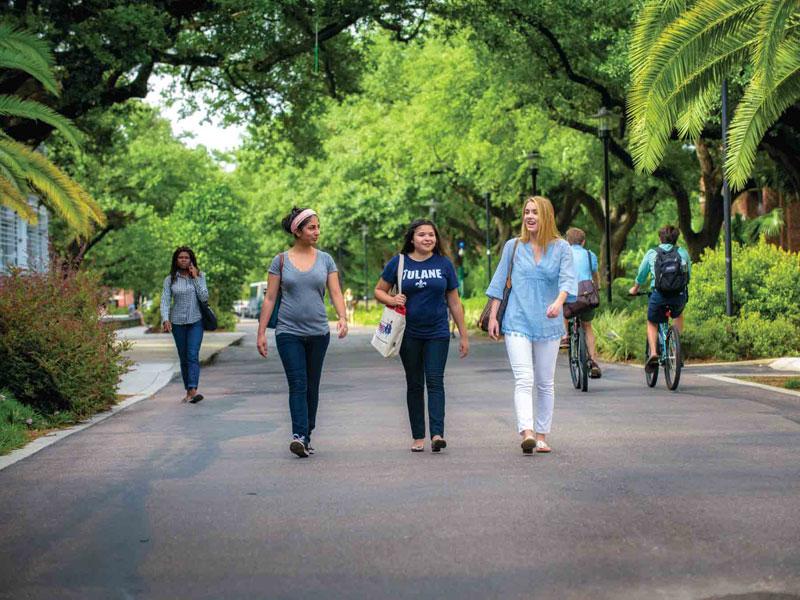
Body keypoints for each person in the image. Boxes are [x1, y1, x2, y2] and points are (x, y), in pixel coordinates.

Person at [486, 196, 577, 455]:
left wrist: (559, 303)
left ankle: (541, 435)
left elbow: (567, 281)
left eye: (535, 212)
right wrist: (494, 316)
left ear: (545, 215)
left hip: (549, 321)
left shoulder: (561, 248)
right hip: (517, 320)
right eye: (526, 212)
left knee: (545, 382)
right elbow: (498, 281)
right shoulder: (513, 246)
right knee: (524, 378)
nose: (529, 216)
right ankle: (526, 433)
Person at [256, 207, 348, 458]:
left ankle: (307, 433)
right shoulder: (281, 261)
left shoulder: (326, 259)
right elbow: (270, 298)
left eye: (318, 227)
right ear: (297, 231)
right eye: (311, 227)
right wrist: (261, 332)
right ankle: (298, 435)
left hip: (319, 332)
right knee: (298, 383)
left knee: (312, 385)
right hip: (288, 332)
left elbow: (336, 292)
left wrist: (342, 317)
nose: (317, 232)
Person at [374, 218, 469, 453]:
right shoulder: (399, 262)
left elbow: (455, 303)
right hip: (408, 333)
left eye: (431, 235)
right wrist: (392, 299)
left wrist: (464, 336)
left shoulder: (444, 264)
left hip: (438, 331)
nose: (428, 238)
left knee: (435, 381)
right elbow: (378, 290)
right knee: (415, 384)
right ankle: (418, 436)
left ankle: (437, 434)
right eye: (422, 235)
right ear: (412, 238)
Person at [629, 225, 691, 373]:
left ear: (660, 239)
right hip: (679, 295)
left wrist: (635, 289)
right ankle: (675, 346)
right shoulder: (683, 253)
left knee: (652, 321)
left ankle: (654, 353)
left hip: (659, 295)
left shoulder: (652, 253)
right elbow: (688, 275)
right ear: (676, 239)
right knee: (678, 314)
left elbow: (641, 275)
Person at [161, 246, 209, 404]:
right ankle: (188, 391)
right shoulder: (170, 279)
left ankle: (193, 389)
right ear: (176, 260)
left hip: (196, 321)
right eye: (180, 257)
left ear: (191, 260)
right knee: (183, 357)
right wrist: (165, 318)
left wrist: (195, 278)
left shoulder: (200, 276)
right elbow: (165, 300)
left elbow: (204, 297)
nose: (183, 260)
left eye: (186, 258)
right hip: (178, 322)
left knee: (192, 355)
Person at [564, 227, 602, 378]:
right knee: (587, 326)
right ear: (583, 241)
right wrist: (597, 287)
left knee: (563, 310)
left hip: (570, 295)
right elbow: (595, 274)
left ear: (567, 241)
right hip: (586, 295)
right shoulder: (589, 254)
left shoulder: (564, 254)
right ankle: (593, 361)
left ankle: (565, 336)